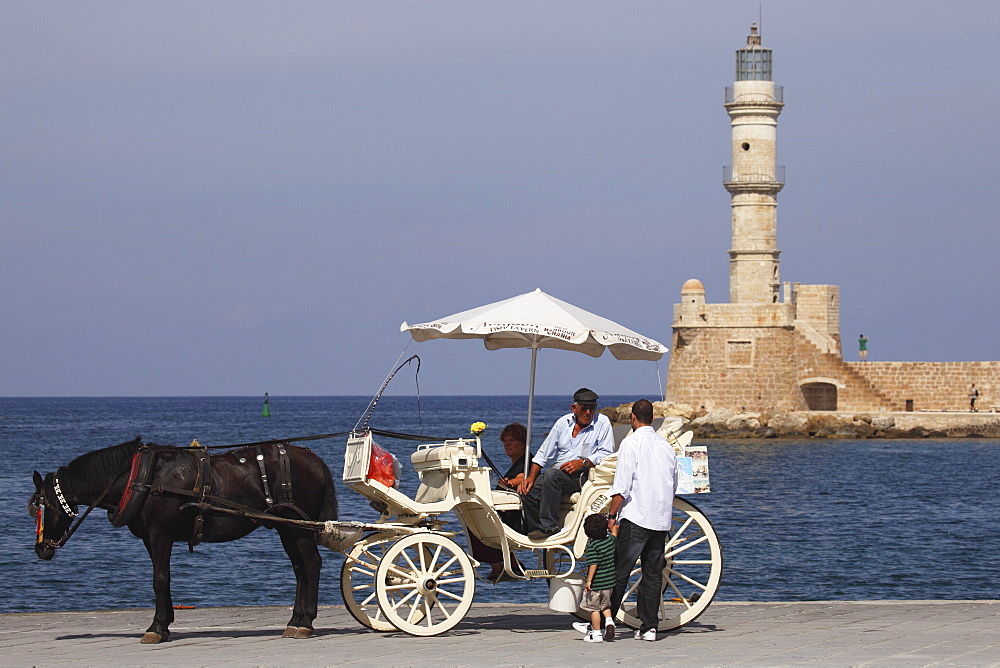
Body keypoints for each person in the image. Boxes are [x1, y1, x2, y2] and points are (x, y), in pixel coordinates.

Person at [607, 399, 679, 642]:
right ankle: (649, 627)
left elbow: (622, 486)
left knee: (619, 571)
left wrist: (611, 515)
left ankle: (605, 623)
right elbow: (674, 483)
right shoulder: (666, 446)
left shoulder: (631, 443)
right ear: (653, 418)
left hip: (637, 516)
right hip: (660, 519)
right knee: (652, 575)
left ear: (633, 418)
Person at [518, 388, 615, 539]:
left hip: (583, 476)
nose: (588, 413)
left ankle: (549, 527)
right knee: (527, 491)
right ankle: (533, 529)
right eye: (584, 408)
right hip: (559, 474)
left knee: (552, 475)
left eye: (592, 408)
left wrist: (583, 462)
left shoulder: (602, 423)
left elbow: (607, 453)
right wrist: (530, 478)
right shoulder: (563, 423)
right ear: (574, 408)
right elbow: (543, 453)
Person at [469, 423, 529, 582]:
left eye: (512, 440)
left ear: (523, 443)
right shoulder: (518, 462)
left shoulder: (527, 461)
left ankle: (498, 565)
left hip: (519, 517)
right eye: (505, 441)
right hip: (510, 512)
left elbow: (523, 477)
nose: (507, 444)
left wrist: (511, 482)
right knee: (474, 518)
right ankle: (510, 563)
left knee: (476, 522)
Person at [571, 513, 619, 642]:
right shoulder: (610, 542)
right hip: (609, 583)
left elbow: (593, 565)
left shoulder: (593, 547)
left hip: (597, 584)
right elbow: (614, 535)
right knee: (606, 606)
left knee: (595, 610)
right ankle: (609, 622)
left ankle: (597, 633)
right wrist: (613, 527)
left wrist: (589, 581)